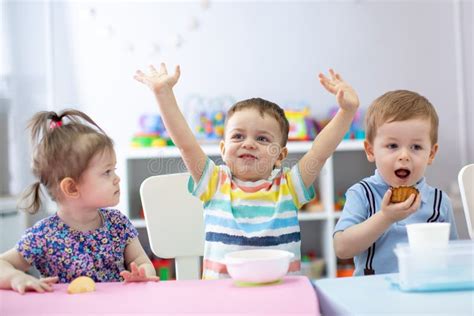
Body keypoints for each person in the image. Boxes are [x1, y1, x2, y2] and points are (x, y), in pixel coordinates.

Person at [134, 63, 359, 279]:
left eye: (262, 138)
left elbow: (320, 152)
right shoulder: (213, 181)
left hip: (279, 298)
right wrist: (163, 94)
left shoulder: (289, 186)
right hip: (221, 301)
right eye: (238, 136)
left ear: (280, 155)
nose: (248, 143)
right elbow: (185, 143)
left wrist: (346, 112)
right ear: (222, 150)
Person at [0, 110, 158, 294]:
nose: (117, 178)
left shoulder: (118, 224)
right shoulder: (43, 235)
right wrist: (17, 277)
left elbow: (141, 261)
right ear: (72, 188)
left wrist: (142, 274)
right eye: (107, 172)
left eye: (113, 170)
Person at [333, 90, 458, 276]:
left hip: (424, 292)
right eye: (392, 146)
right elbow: (342, 248)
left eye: (416, 147)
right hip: (373, 294)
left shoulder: (440, 202)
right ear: (370, 150)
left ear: (431, 154)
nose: (404, 156)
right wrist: (386, 217)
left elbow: (453, 257)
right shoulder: (362, 193)